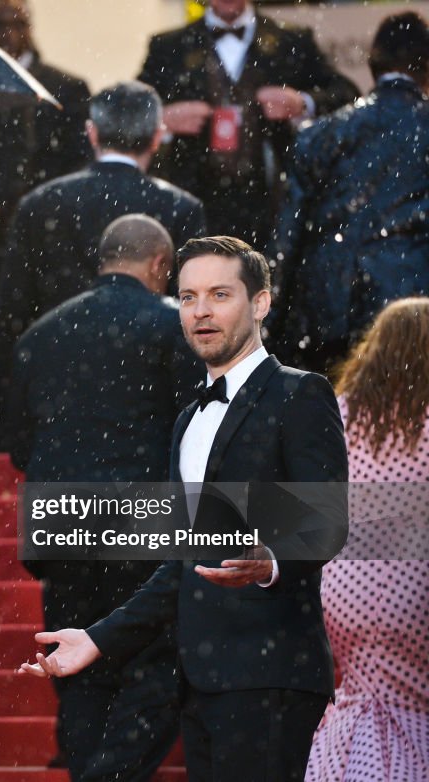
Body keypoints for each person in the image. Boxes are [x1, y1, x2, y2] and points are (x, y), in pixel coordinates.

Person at [22, 236, 349, 782]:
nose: (201, 310)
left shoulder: (300, 394)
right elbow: (181, 565)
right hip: (199, 680)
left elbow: (326, 519)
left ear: (260, 303)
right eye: (189, 296)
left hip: (269, 677)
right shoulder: (186, 422)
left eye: (220, 294)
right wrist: (98, 638)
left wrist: (270, 559)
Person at [7, 215, 201, 781]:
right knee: (158, 664)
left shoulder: (40, 333)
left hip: (60, 522)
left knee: (76, 666)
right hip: (142, 519)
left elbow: (20, 444)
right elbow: (195, 433)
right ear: (161, 266)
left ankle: (90, 769)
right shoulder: (175, 327)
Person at [305, 297, 429, 781]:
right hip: (415, 586)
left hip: (345, 588)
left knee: (366, 698)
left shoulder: (339, 413)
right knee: (414, 711)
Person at [269, 12, 429, 374]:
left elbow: (287, 238)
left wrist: (269, 326)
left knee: (327, 425)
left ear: (373, 63)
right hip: (408, 312)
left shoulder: (320, 135)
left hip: (327, 309)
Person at [0, 80, 207, 340]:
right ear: (156, 138)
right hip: (146, 363)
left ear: (92, 133)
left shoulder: (41, 202)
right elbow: (191, 305)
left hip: (59, 357)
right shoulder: (180, 207)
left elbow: (13, 306)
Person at [138, 0, 357, 246]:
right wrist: (162, 118)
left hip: (274, 202)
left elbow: (347, 94)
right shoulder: (169, 47)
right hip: (194, 202)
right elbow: (130, 111)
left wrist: (303, 103)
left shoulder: (291, 40)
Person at [0, 0, 93, 190]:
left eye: (18, 24)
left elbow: (80, 155)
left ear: (29, 27)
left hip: (47, 203)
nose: (9, 33)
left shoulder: (66, 88)